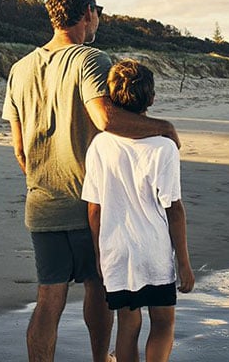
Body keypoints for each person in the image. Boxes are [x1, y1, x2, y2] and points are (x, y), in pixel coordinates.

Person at [1, 0, 179, 361]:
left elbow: (19, 149)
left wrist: (41, 180)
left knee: (49, 298)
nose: (98, 17)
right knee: (97, 287)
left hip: (41, 203)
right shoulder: (90, 59)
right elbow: (106, 119)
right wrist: (163, 128)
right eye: (97, 10)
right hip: (88, 203)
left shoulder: (20, 69)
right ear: (87, 12)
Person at [82, 60, 195, 362]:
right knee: (163, 322)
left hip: (117, 249)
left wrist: (98, 253)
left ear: (111, 98)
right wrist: (183, 263)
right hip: (154, 251)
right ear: (152, 99)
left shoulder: (100, 145)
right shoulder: (164, 147)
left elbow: (94, 208)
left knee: (128, 325)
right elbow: (174, 209)